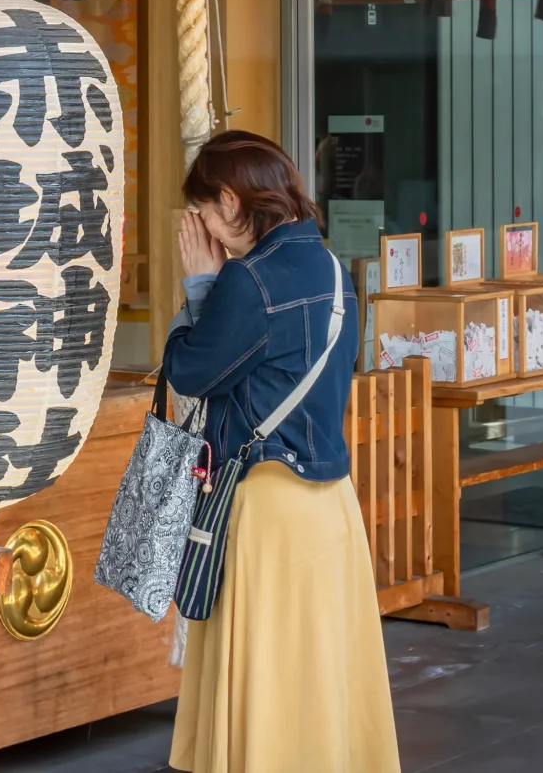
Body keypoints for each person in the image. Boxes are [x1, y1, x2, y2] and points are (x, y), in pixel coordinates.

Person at [162, 130, 398, 773]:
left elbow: (190, 372)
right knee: (320, 677)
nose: (203, 229)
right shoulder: (331, 267)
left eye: (205, 212)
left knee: (265, 675)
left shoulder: (247, 280)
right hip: (330, 506)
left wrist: (200, 289)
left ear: (232, 201)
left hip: (264, 505)